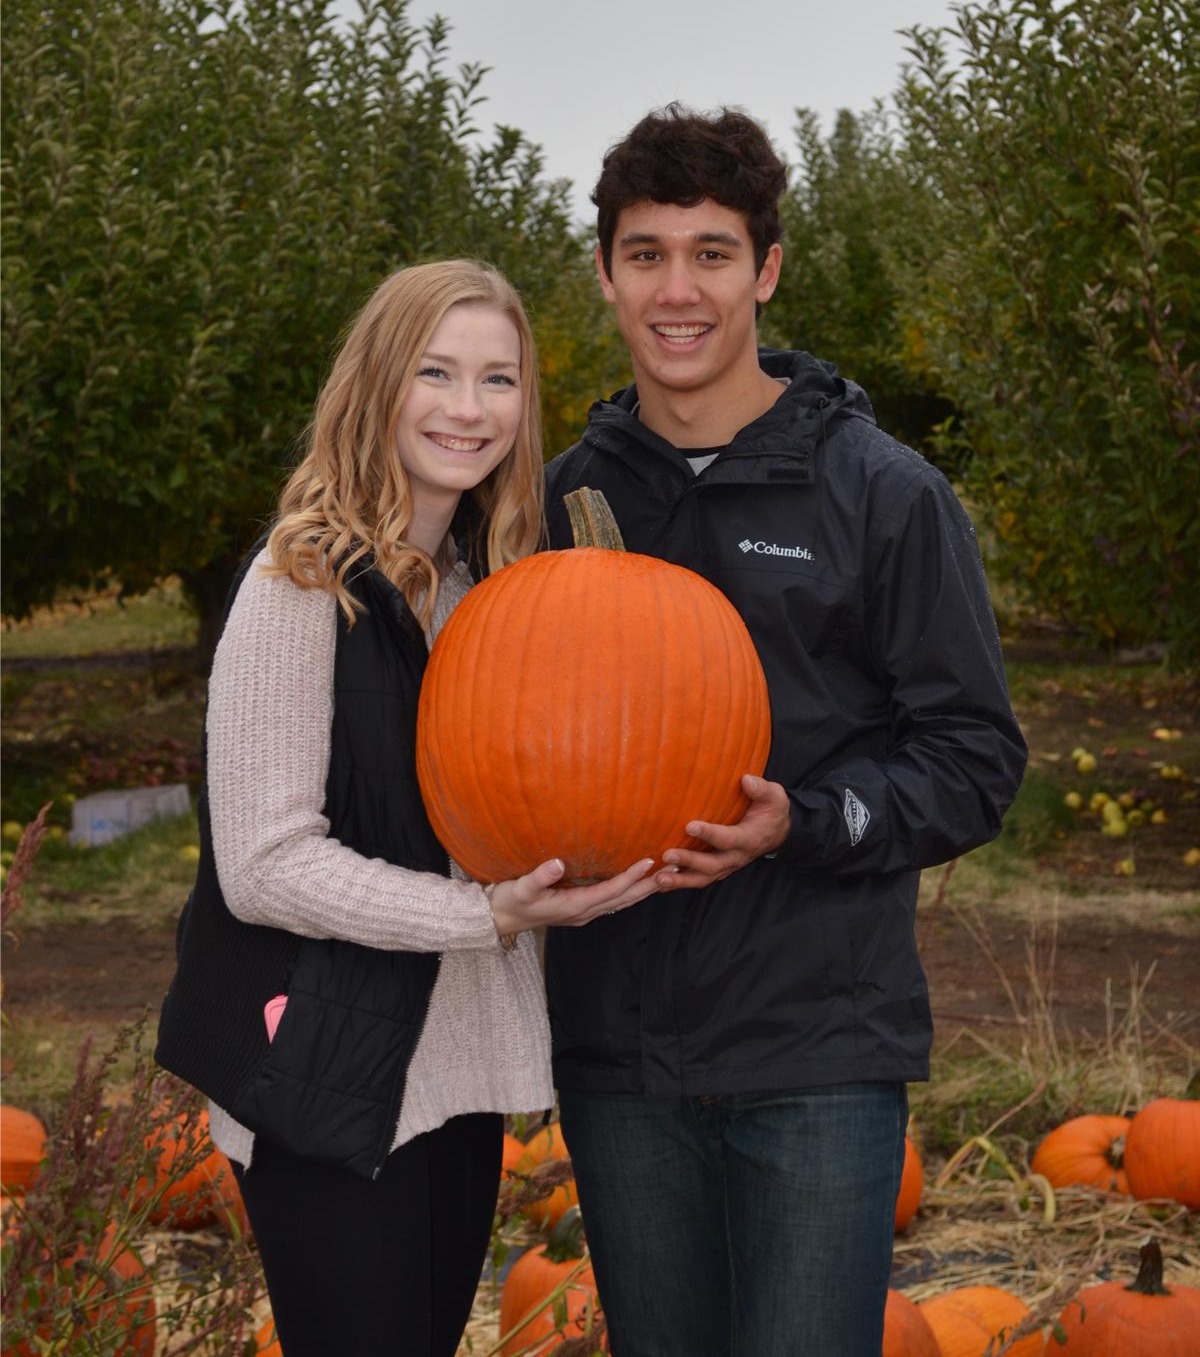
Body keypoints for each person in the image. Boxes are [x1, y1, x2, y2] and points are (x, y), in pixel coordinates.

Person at [542, 106, 1028, 1357]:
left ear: (766, 269)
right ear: (604, 275)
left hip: (818, 1043)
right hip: (615, 1051)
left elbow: (974, 758)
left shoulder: (884, 494)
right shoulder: (559, 505)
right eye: (646, 254)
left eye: (712, 252)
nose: (678, 288)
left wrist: (803, 824)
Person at [156, 259, 659, 1357]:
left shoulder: (489, 593)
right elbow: (266, 864)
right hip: (323, 1064)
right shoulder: (301, 584)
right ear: (379, 384)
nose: (468, 409)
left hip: (453, 1065)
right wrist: (489, 917)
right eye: (436, 372)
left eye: (499, 379)